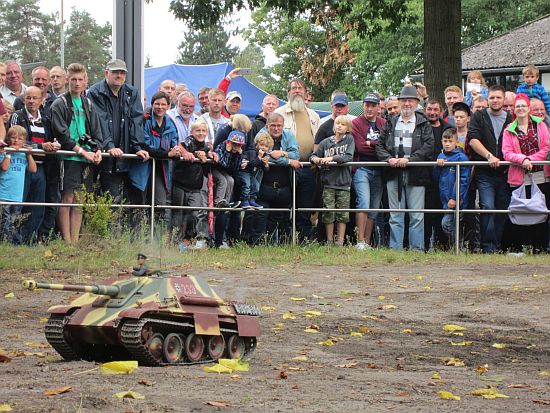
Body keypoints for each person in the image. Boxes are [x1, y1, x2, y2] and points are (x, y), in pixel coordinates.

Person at [376, 84, 434, 251]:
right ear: (399, 102)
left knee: (417, 215)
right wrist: (388, 159)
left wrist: (411, 160)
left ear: (416, 103)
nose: (407, 104)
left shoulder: (424, 123)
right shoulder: (391, 122)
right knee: (395, 215)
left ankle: (416, 249)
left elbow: (429, 146)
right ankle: (396, 250)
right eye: (404, 100)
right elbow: (379, 145)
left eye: (410, 100)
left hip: (416, 173)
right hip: (394, 174)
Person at [50, 63, 103, 243]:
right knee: (67, 198)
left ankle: (76, 240)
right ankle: (67, 242)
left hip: (86, 158)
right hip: (69, 156)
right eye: (73, 79)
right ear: (67, 80)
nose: (77, 83)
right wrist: (81, 151)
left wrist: (97, 150)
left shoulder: (88, 103)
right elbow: (62, 134)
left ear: (86, 80)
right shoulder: (60, 103)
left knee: (80, 200)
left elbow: (97, 131)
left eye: (80, 79)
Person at [87, 59, 149, 202]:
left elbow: (136, 120)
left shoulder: (131, 92)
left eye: (122, 73)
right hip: (104, 157)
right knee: (107, 199)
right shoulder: (95, 92)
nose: (119, 76)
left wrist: (138, 146)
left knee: (132, 201)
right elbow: (99, 121)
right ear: (106, 73)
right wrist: (109, 146)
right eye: (115, 72)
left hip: (127, 156)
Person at [466, 84, 512, 253]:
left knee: (502, 210)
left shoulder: (510, 118)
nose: (495, 100)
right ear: (488, 99)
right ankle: (488, 248)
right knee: (487, 207)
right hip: (485, 172)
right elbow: (473, 140)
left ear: (503, 99)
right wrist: (489, 156)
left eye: (498, 97)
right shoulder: (479, 116)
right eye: (492, 97)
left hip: (505, 172)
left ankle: (496, 245)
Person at [502, 93, 550, 252]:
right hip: (518, 176)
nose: (521, 108)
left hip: (540, 175)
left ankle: (539, 246)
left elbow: (545, 148)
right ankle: (521, 246)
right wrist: (522, 160)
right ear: (513, 110)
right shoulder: (509, 129)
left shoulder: (541, 125)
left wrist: (531, 159)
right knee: (521, 211)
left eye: (523, 105)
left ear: (528, 108)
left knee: (540, 210)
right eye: (517, 106)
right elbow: (506, 152)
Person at [9, 86, 57, 242]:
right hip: (21, 165)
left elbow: (51, 139)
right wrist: (42, 147)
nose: (31, 101)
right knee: (19, 203)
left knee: (38, 204)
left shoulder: (46, 118)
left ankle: (30, 239)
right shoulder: (18, 116)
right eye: (28, 97)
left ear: (41, 99)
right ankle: (13, 239)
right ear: (23, 99)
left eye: (34, 98)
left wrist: (53, 145)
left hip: (42, 166)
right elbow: (16, 140)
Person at [275, 78, 320, 241]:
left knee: (305, 205)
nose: (297, 91)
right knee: (286, 203)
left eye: (300, 88)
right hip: (286, 166)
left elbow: (318, 140)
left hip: (308, 166)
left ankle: (304, 239)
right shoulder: (279, 113)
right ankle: (285, 238)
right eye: (293, 88)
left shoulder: (314, 115)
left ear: (305, 92)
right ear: (288, 93)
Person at [249, 112, 300, 244]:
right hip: (264, 186)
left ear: (283, 126)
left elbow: (296, 155)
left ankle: (282, 248)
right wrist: (288, 162)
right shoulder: (261, 135)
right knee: (260, 219)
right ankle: (258, 247)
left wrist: (282, 153)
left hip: (284, 187)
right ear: (267, 125)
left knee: (282, 219)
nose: (276, 129)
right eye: (273, 126)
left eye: (279, 126)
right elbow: (264, 156)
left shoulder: (288, 135)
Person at [128, 91, 180, 218]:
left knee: (159, 204)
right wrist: (168, 153)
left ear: (168, 106)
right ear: (152, 104)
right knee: (140, 204)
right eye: (157, 104)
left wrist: (177, 151)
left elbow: (175, 143)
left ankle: (157, 236)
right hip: (142, 166)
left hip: (161, 169)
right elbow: (145, 145)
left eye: (163, 104)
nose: (160, 107)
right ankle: (137, 235)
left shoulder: (171, 123)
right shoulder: (144, 120)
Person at [171, 118, 216, 249]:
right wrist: (188, 154)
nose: (200, 133)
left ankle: (187, 240)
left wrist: (210, 156)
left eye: (203, 131)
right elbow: (179, 146)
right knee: (178, 214)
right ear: (191, 131)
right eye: (198, 130)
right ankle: (174, 241)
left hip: (196, 186)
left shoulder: (207, 146)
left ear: (207, 132)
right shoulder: (187, 142)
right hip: (180, 183)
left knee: (194, 214)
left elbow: (208, 161)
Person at [310, 115, 355, 246]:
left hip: (343, 183)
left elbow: (348, 157)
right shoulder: (325, 142)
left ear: (348, 128)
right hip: (328, 183)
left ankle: (340, 242)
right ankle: (329, 241)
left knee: (343, 214)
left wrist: (331, 158)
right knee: (328, 213)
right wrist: (315, 160)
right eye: (337, 123)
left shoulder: (350, 140)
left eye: (343, 124)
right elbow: (313, 155)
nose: (339, 126)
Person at [352, 92, 386, 250]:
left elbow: (386, 146)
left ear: (378, 107)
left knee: (373, 207)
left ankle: (367, 241)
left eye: (373, 105)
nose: (370, 108)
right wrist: (376, 145)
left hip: (379, 169)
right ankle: (359, 242)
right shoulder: (356, 123)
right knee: (364, 202)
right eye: (367, 105)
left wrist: (371, 144)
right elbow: (359, 147)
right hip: (362, 168)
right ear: (363, 106)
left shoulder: (384, 123)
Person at [434, 128, 471, 245]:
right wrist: (437, 166)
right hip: (444, 199)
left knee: (447, 224)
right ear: (441, 141)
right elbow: (436, 177)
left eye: (450, 141)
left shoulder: (462, 158)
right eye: (445, 141)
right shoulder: (440, 156)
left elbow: (464, 181)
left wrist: (455, 198)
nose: (447, 144)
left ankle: (459, 246)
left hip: (456, 200)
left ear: (456, 142)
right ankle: (458, 247)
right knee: (451, 224)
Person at [0, 125, 37, 244]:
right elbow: (4, 167)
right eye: (13, 137)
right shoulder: (4, 152)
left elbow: (33, 169)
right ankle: (5, 242)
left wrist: (29, 154)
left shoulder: (23, 154)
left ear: (24, 141)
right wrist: (9, 153)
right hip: (4, 193)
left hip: (17, 195)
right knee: (4, 220)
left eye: (20, 138)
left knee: (14, 221)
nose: (16, 141)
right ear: (8, 139)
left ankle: (11, 243)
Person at [239, 131, 273, 209]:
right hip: (244, 172)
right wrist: (259, 157)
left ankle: (252, 200)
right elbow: (252, 164)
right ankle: (245, 201)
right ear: (256, 144)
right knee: (247, 185)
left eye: (266, 146)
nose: (263, 147)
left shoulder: (264, 155)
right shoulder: (252, 152)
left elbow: (265, 170)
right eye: (261, 145)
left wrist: (266, 164)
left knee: (256, 186)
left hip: (251, 173)